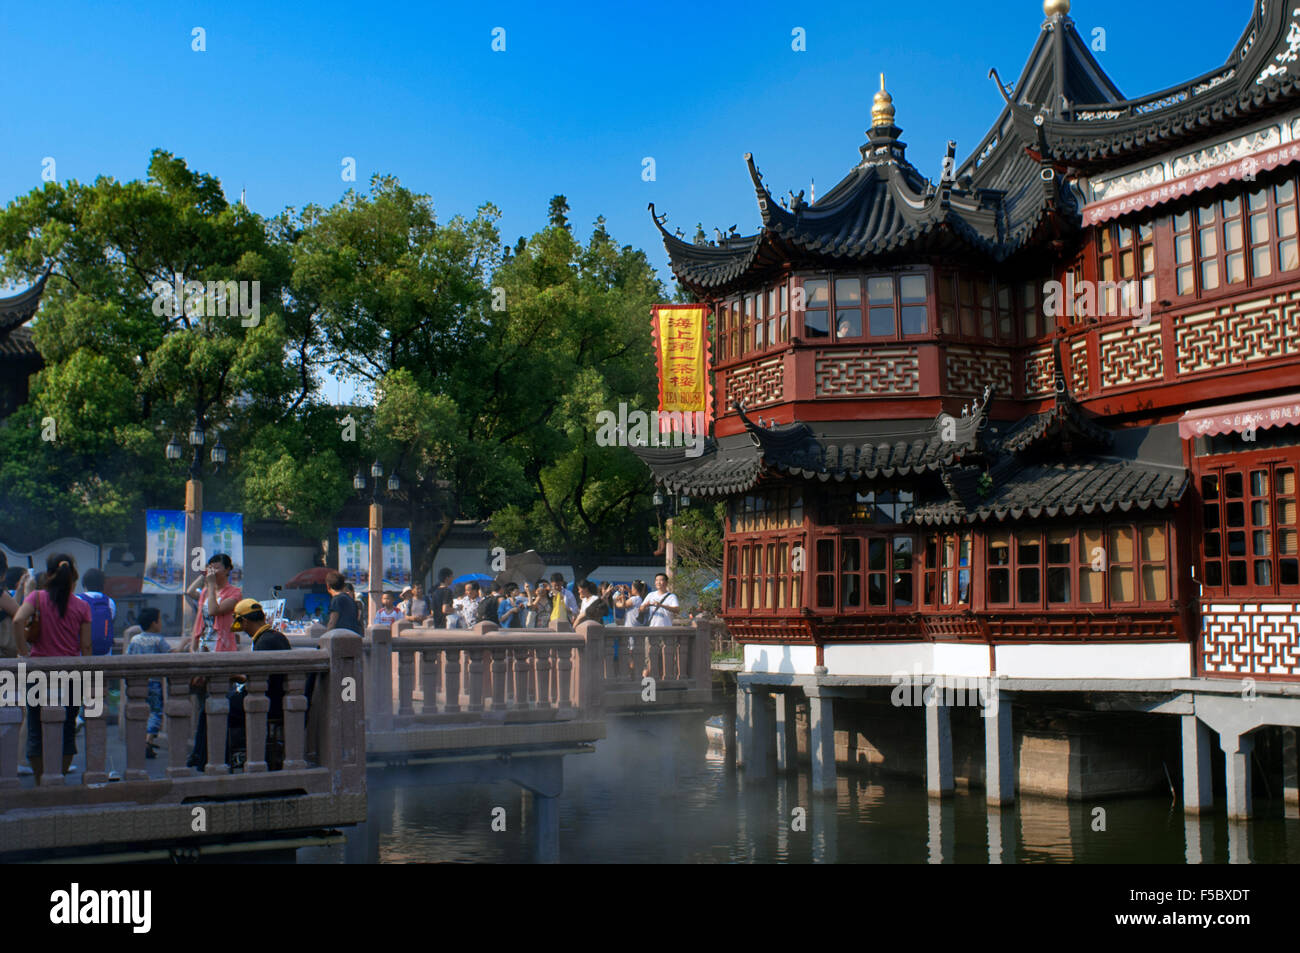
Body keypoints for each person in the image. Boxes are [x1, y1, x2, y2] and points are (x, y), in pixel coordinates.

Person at [12, 554, 91, 784]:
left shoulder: (36, 597)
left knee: (36, 729)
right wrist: (88, 678)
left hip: (39, 674)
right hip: (71, 675)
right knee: (67, 730)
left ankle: (40, 781)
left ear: (47, 575)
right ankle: (59, 778)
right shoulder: (82, 606)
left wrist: (23, 652)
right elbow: (86, 646)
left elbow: (17, 621)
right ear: (73, 577)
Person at [224, 599, 292, 771]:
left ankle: (223, 758)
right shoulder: (276, 636)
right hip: (279, 698)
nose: (243, 631)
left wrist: (238, 677)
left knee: (219, 708)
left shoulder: (263, 642)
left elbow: (261, 681)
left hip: (269, 703)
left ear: (245, 622)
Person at [126, 607, 172, 758]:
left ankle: (140, 742)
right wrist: (185, 644)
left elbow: (128, 657)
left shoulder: (135, 639)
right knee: (156, 712)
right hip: (154, 683)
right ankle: (148, 741)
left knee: (140, 712)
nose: (161, 623)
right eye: (160, 620)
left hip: (137, 682)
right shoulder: (158, 640)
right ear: (154, 623)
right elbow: (170, 655)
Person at [185, 553, 242, 652]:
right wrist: (204, 575)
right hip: (203, 642)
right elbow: (190, 592)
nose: (213, 572)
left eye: (216, 568)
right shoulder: (206, 592)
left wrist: (211, 584)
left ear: (227, 569)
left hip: (221, 643)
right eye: (211, 568)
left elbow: (213, 611)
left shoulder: (234, 593)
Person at [80, 567, 117, 656]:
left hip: (82, 654)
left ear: (84, 583)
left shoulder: (78, 600)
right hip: (105, 654)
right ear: (102, 584)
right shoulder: (110, 602)